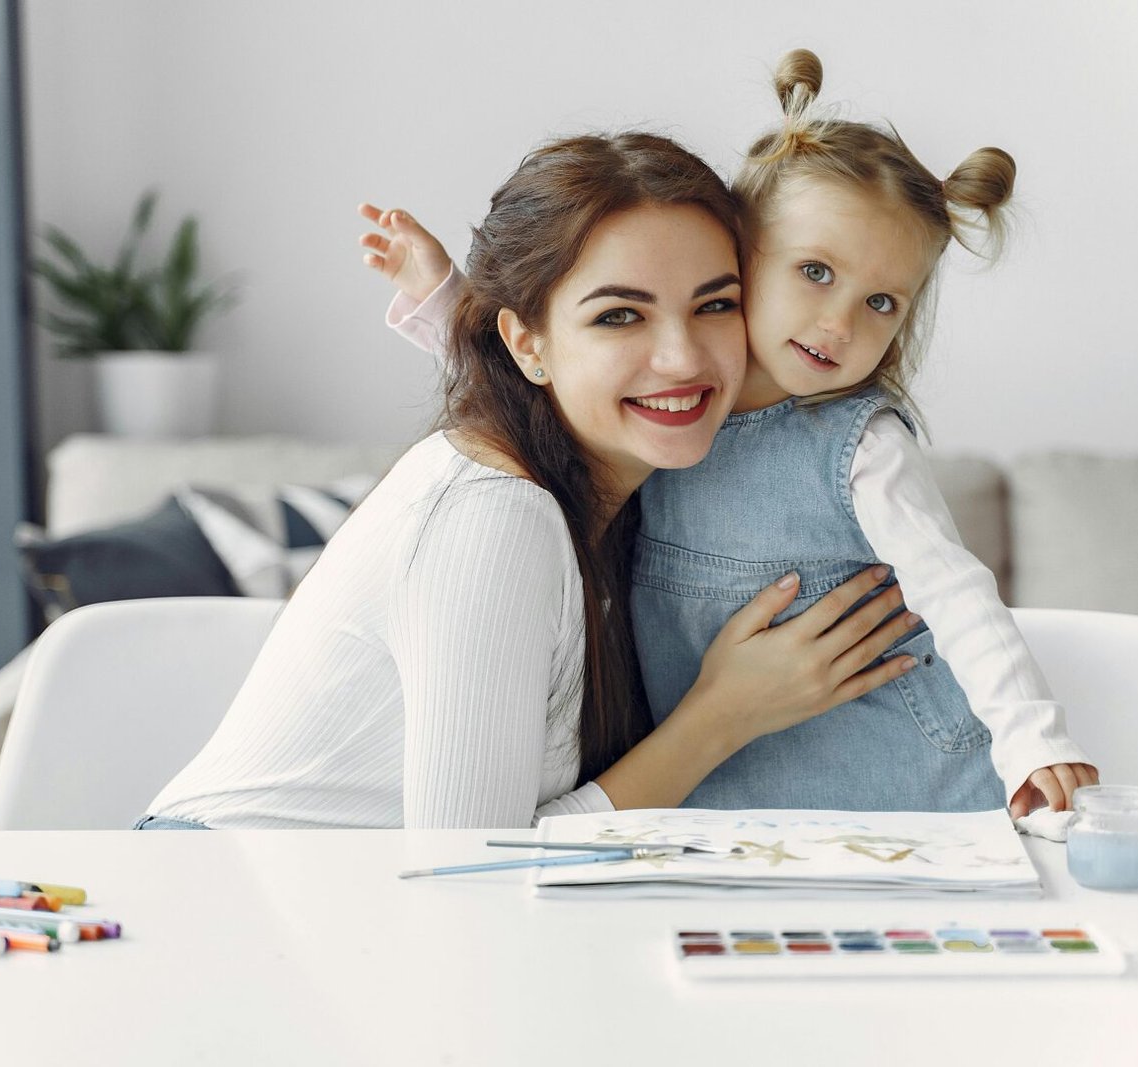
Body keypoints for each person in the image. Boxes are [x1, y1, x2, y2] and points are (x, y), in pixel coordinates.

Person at [363, 50, 1097, 820]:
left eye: (882, 302)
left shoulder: (863, 445)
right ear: (740, 260)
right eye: (815, 272)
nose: (839, 323)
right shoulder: (681, 399)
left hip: (893, 778)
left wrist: (1034, 741)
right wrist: (448, 302)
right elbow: (564, 381)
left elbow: (957, 591)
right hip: (723, 788)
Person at [140, 132, 920, 830]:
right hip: (232, 918)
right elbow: (469, 863)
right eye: (620, 315)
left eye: (715, 304)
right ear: (528, 343)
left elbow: (516, 368)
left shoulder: (622, 479)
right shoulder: (493, 517)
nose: (684, 358)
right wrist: (721, 716)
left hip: (356, 926)